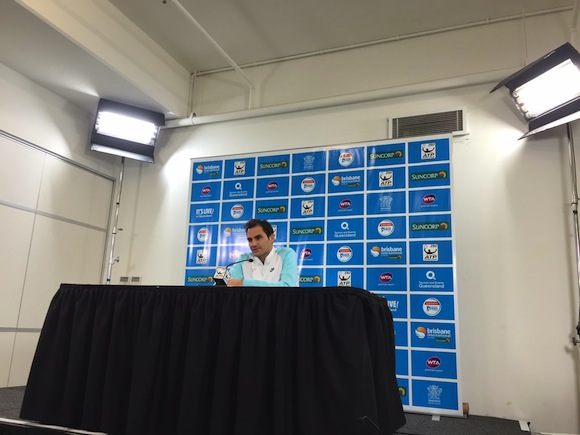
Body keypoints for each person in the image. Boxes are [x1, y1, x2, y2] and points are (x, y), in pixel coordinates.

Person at [227, 219, 298, 287]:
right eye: (250, 240)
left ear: (271, 238)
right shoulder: (243, 259)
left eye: (258, 238)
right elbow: (229, 284)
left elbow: (287, 287)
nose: (253, 244)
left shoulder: (286, 254)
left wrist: (243, 283)